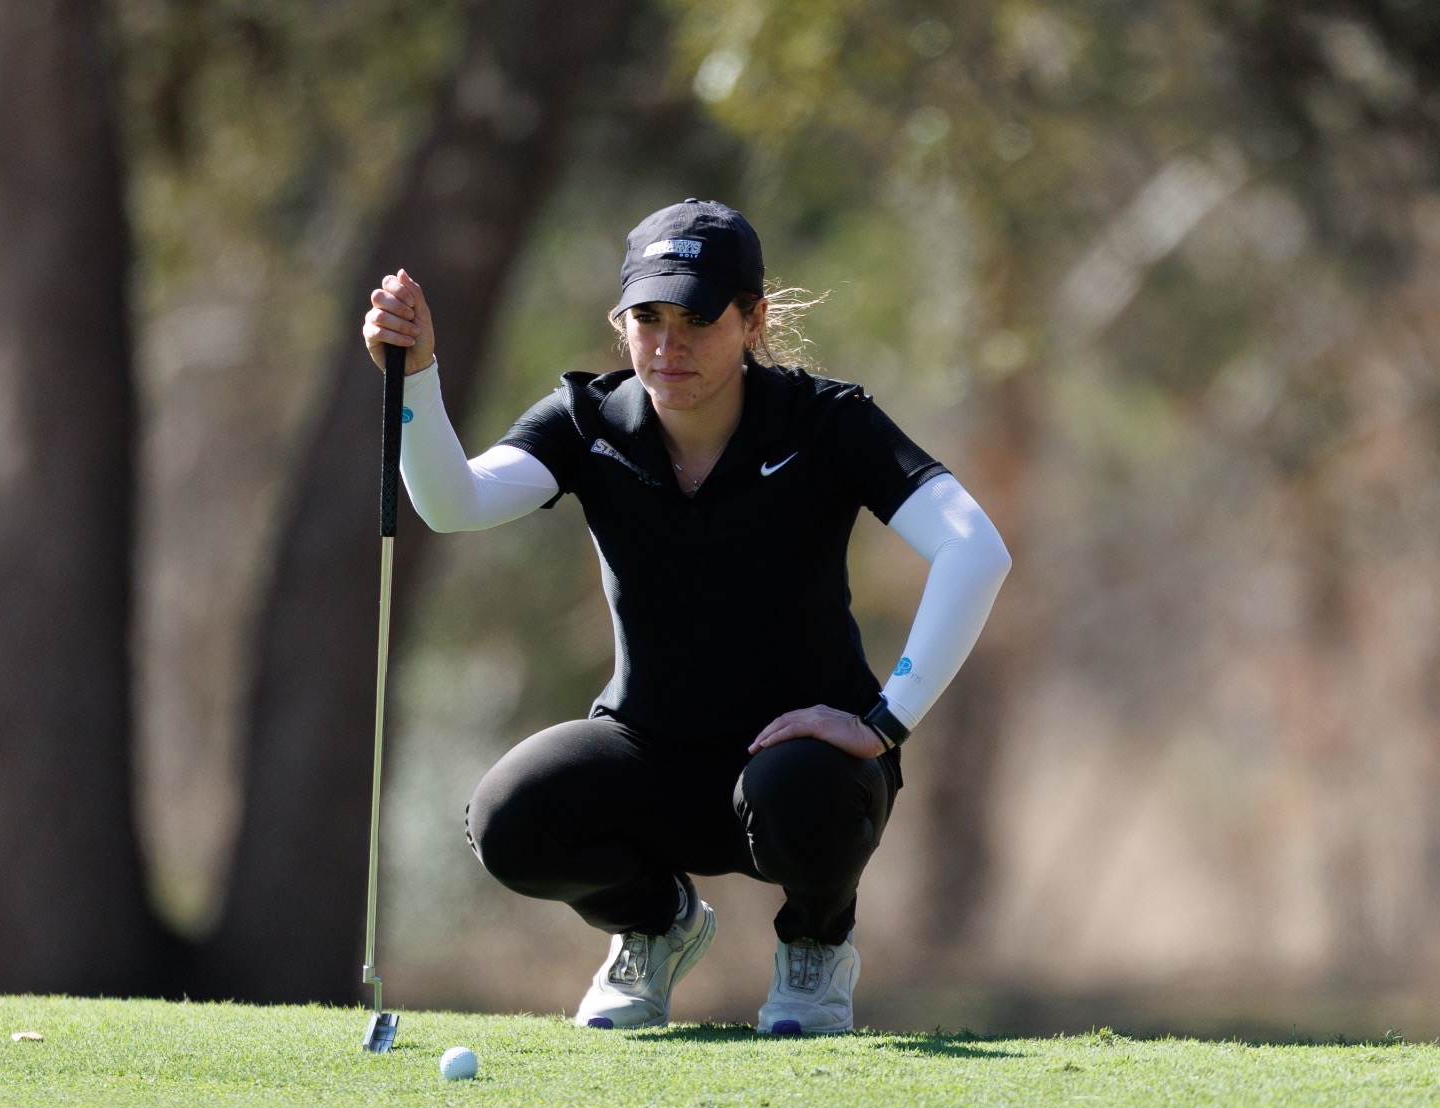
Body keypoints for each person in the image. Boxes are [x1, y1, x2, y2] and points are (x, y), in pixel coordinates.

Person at [361, 199, 1010, 1034]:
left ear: (752, 321)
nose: (668, 347)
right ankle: (656, 924)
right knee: (509, 818)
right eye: (648, 318)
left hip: (803, 768)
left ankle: (816, 944)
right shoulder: (587, 422)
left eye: (698, 319)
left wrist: (886, 722)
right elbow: (453, 502)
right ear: (620, 323)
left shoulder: (825, 423)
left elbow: (975, 548)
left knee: (803, 795)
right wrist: (414, 375)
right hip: (648, 757)